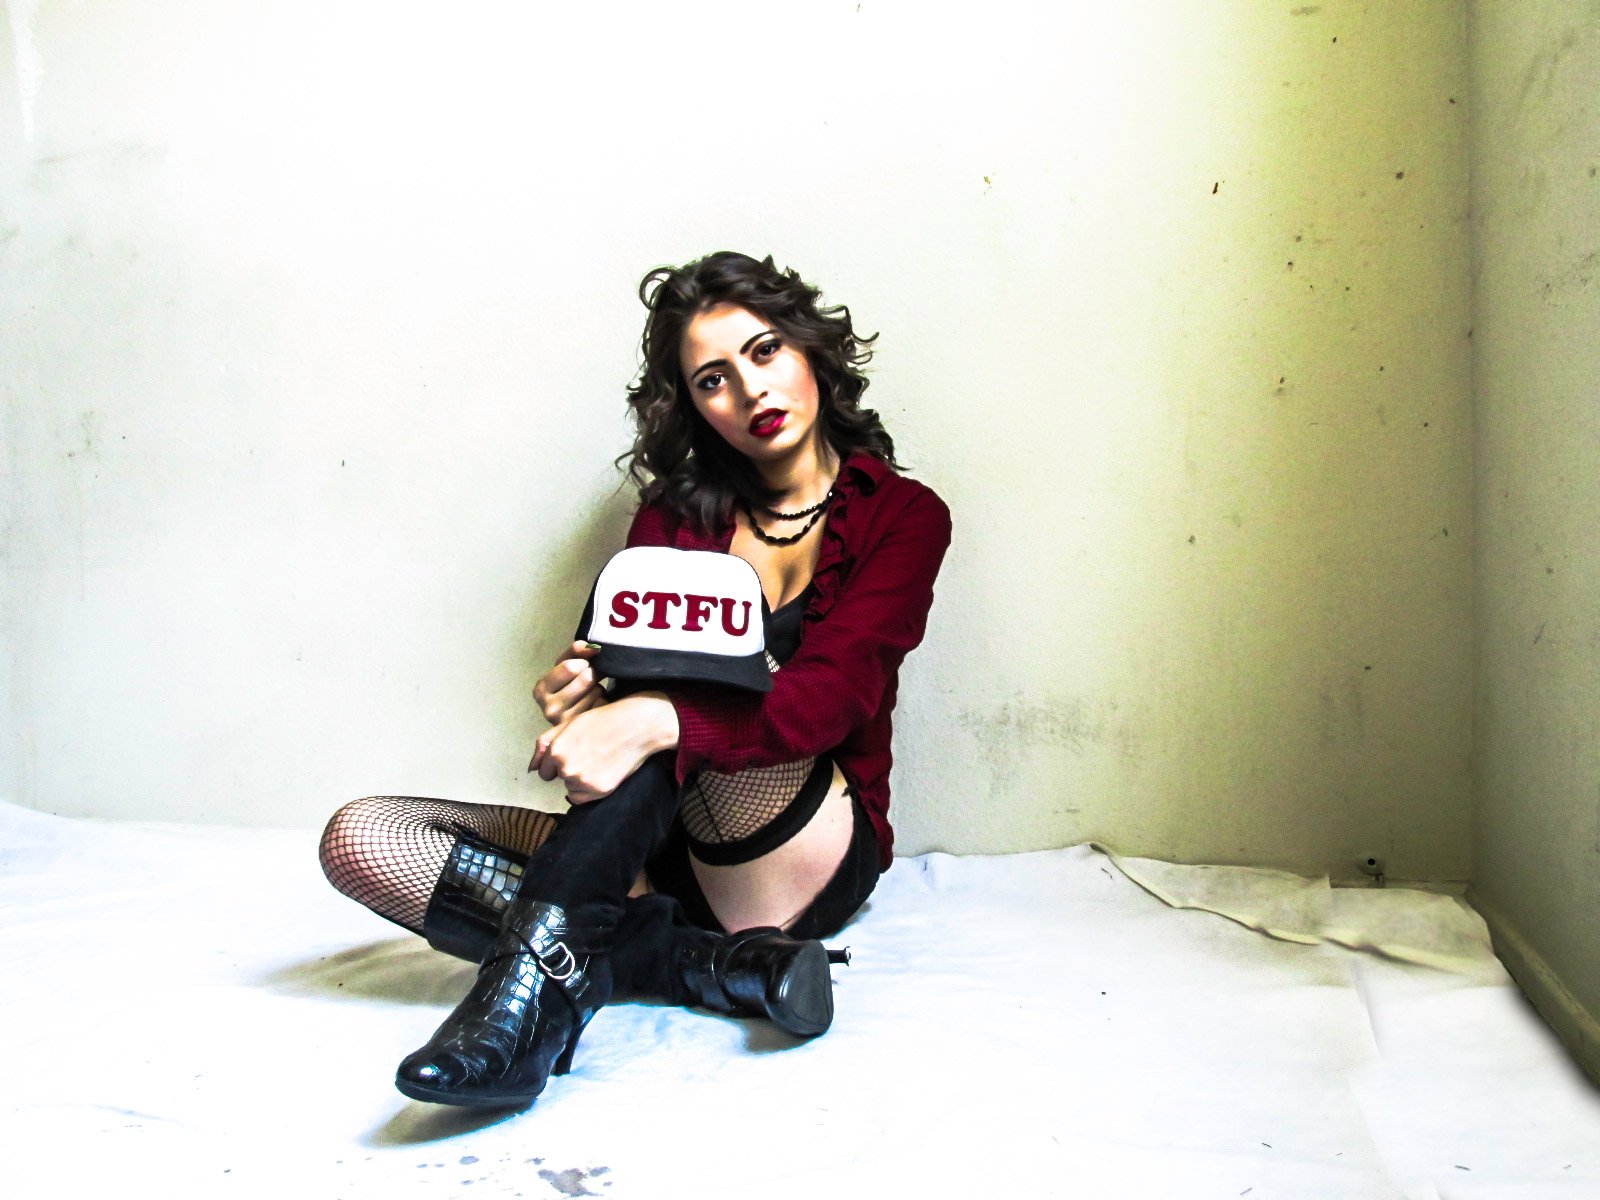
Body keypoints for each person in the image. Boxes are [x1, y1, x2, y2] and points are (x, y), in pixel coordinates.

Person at [318, 250, 952, 1108]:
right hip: (662, 854)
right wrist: (582, 688)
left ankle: (516, 1009)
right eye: (713, 380)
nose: (750, 391)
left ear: (810, 352)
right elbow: (611, 657)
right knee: (363, 839)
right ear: (692, 405)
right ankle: (708, 965)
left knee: (691, 709)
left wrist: (652, 718)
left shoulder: (905, 516)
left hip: (795, 843)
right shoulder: (676, 512)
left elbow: (835, 696)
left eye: (765, 353)